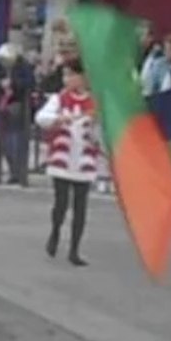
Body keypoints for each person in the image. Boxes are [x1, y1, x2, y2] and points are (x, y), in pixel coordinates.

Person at [35, 57, 106, 267]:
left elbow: (101, 133)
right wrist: (58, 120)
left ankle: (75, 249)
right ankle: (55, 231)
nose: (67, 79)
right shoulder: (60, 99)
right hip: (62, 159)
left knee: (81, 206)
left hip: (84, 158)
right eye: (65, 75)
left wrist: (95, 133)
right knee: (61, 202)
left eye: (71, 75)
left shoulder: (94, 103)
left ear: (83, 77)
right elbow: (42, 118)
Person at [0, 43, 35, 187]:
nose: (5, 64)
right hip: (2, 108)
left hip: (19, 107)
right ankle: (12, 170)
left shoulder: (24, 67)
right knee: (5, 142)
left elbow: (30, 83)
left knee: (17, 141)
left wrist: (13, 84)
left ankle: (20, 172)